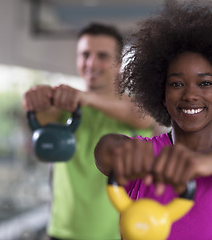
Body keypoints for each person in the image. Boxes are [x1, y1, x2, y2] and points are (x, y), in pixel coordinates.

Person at [94, 1, 212, 239]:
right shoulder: (144, 155)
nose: (190, 95)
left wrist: (207, 161)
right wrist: (125, 153)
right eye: (177, 84)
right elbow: (106, 148)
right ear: (161, 93)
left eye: (205, 83)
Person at [23, 23, 156, 240]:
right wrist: (32, 99)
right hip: (60, 234)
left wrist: (86, 98)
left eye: (102, 56)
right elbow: (38, 114)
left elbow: (143, 116)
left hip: (117, 235)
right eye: (85, 55)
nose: (91, 63)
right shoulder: (65, 110)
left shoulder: (134, 109)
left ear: (118, 64)